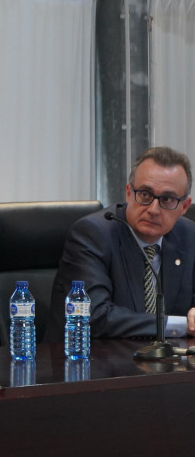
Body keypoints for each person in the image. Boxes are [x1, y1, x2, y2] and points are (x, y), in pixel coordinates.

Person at [50, 146, 195, 341]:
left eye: (167, 199)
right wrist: (178, 325)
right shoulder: (92, 234)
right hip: (91, 364)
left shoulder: (188, 236)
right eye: (144, 194)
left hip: (167, 365)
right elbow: (94, 316)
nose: (153, 209)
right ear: (128, 193)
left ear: (184, 206)